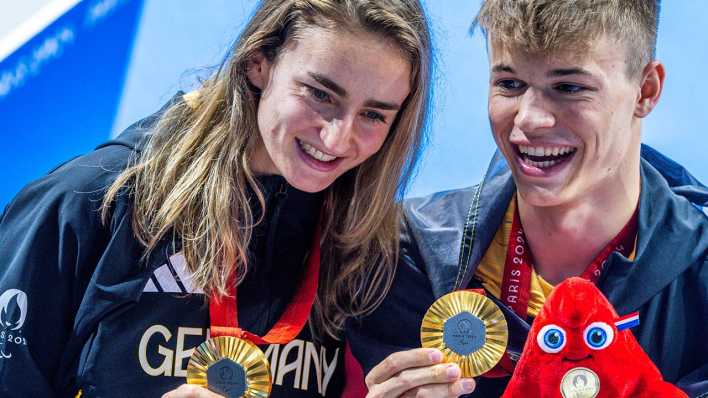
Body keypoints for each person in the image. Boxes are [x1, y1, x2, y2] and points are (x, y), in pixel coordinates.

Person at [0, 0, 433, 397]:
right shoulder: (91, 202)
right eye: (320, 94)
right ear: (257, 63)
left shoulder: (367, 245)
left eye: (374, 114)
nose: (338, 138)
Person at [348, 0, 708, 397]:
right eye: (510, 84)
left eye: (569, 88)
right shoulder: (405, 252)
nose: (529, 120)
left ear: (646, 90)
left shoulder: (701, 273)